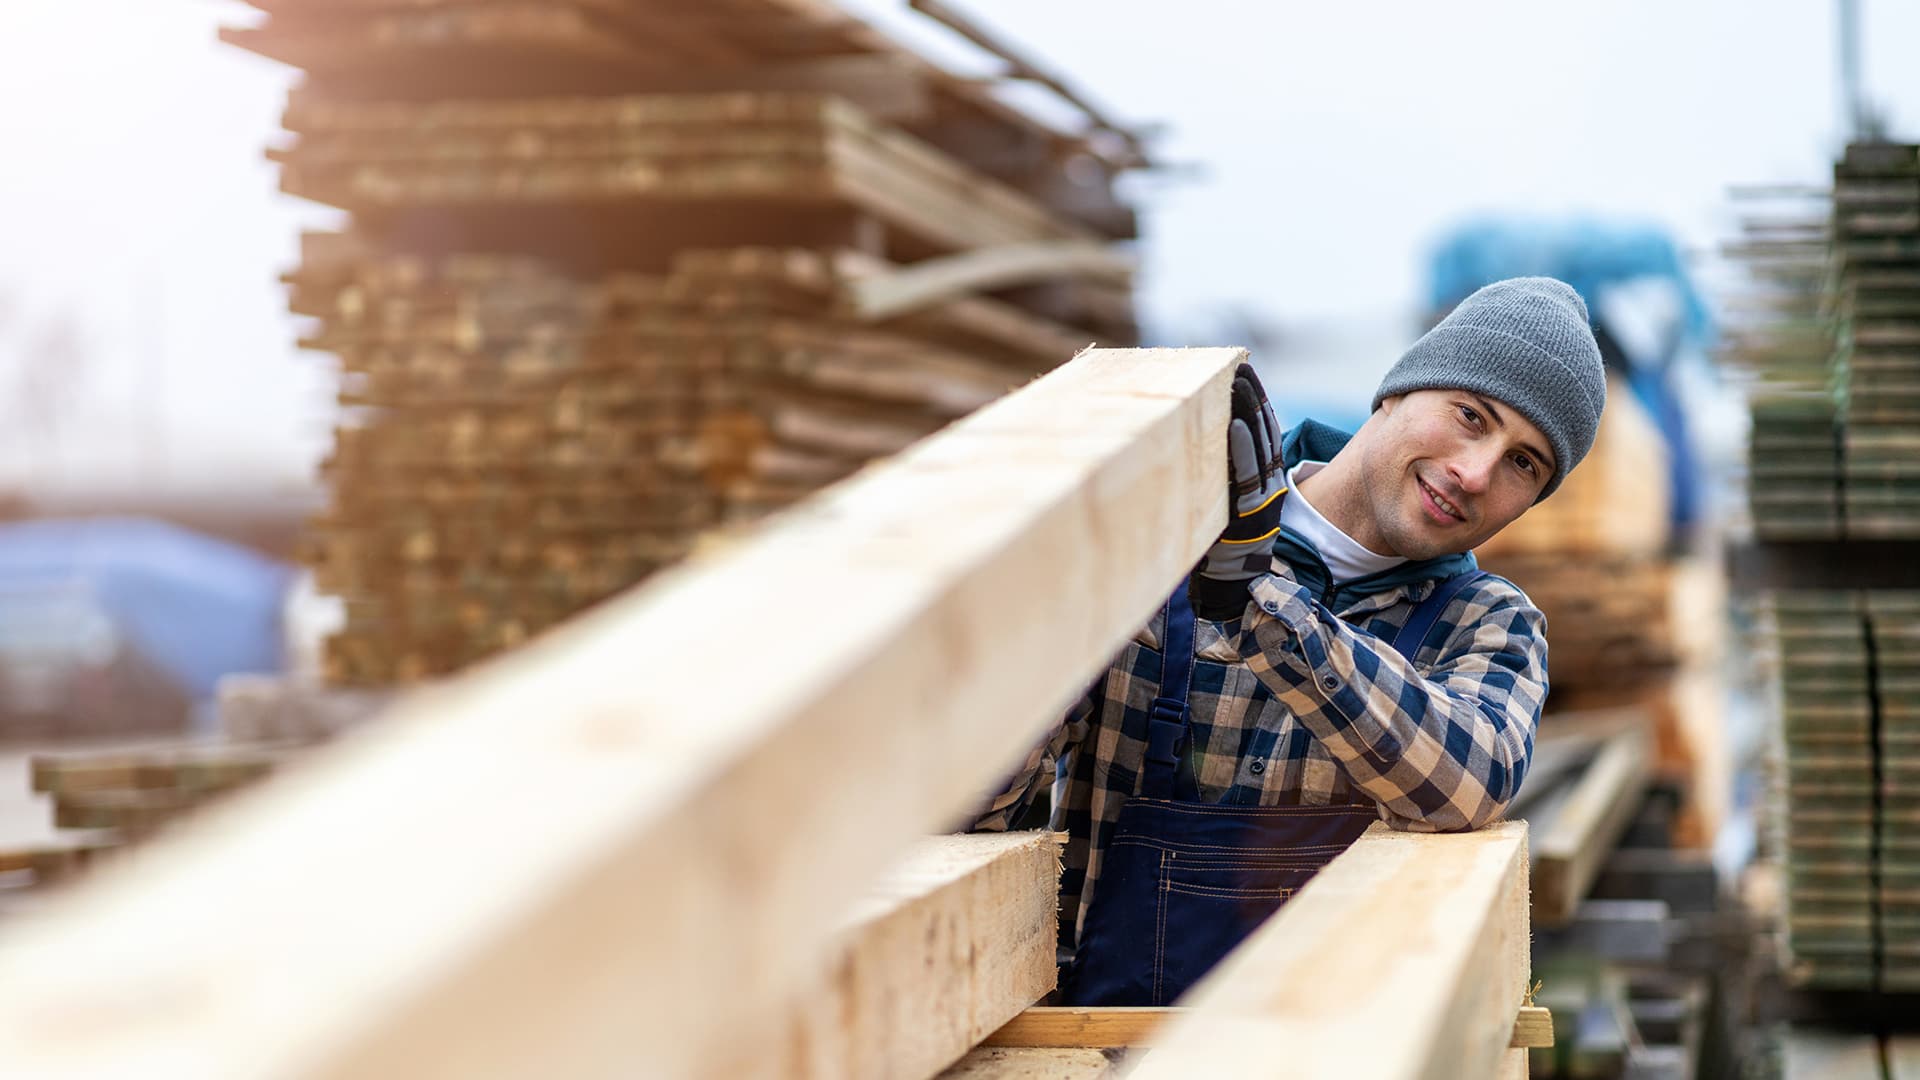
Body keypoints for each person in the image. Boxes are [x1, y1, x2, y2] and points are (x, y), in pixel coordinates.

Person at [974, 276, 1607, 1007]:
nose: (1474, 472)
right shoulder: (1169, 545)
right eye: (1470, 416)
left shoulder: (1488, 623)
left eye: (1523, 463)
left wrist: (1254, 594)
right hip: (1103, 1051)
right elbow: (976, 807)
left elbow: (1469, 782)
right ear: (1396, 393)